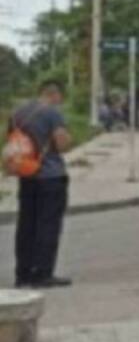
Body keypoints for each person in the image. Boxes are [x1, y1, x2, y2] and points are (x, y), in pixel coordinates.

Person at [9, 80, 72, 288]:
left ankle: (23, 274)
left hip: (26, 175)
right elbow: (61, 144)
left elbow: (11, 142)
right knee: (48, 225)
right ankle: (43, 273)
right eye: (59, 97)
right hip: (50, 176)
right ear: (54, 94)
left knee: (26, 225)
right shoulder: (52, 113)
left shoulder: (17, 114)